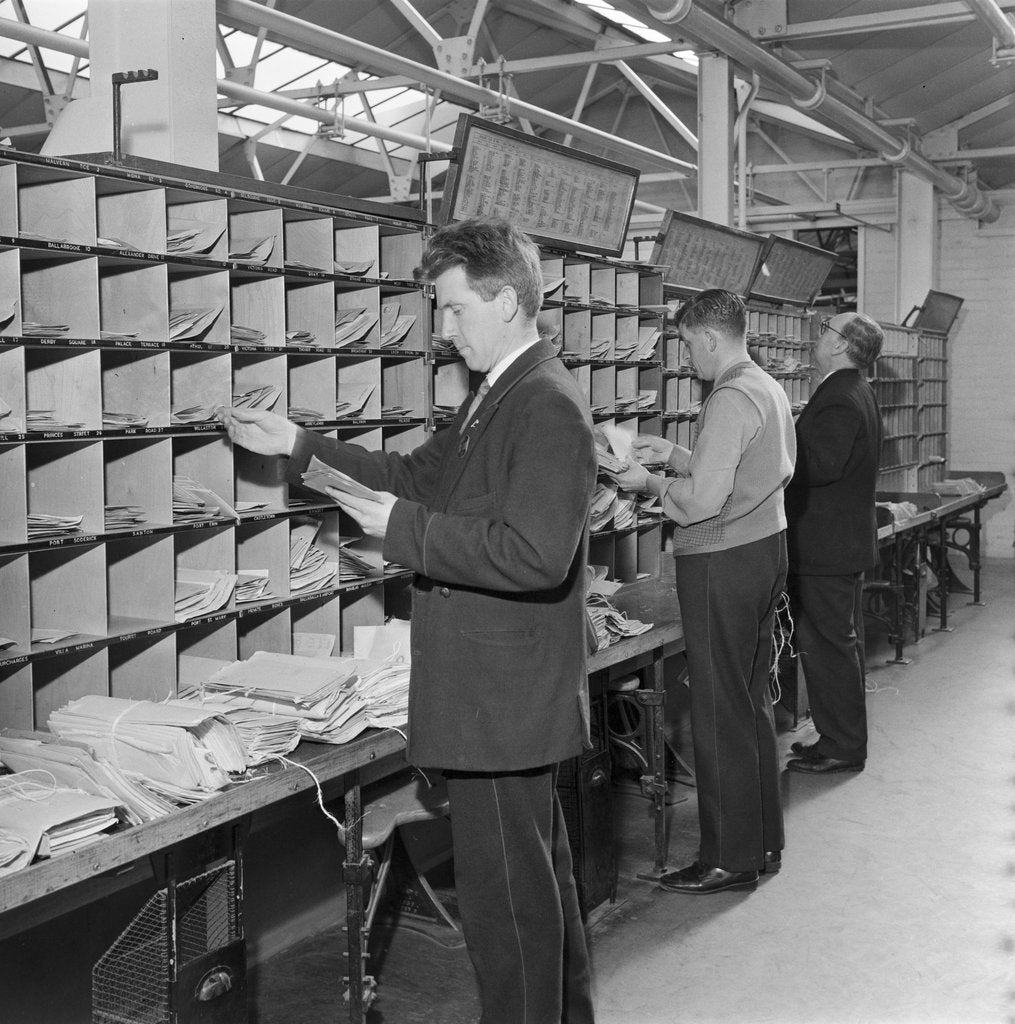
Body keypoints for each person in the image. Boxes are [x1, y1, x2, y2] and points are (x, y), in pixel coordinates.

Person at [218, 218, 598, 1024]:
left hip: (502, 707)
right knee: (535, 895)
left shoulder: (545, 405)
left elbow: (535, 554)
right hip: (495, 699)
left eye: (455, 309)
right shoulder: (496, 396)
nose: (443, 328)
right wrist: (296, 443)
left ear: (504, 301)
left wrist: (402, 528)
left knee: (508, 922)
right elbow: (408, 476)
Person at [609, 288, 795, 895]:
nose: (688, 359)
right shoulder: (764, 386)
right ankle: (762, 842)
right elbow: (744, 468)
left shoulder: (728, 397)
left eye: (689, 344)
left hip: (721, 560)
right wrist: (678, 455)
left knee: (716, 711)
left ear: (711, 337)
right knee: (750, 699)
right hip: (765, 551)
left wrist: (649, 482)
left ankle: (727, 858)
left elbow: (703, 503)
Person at [784, 311, 884, 775]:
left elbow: (819, 466)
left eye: (827, 329)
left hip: (825, 547)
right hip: (840, 543)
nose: (818, 334)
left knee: (828, 649)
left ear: (842, 345)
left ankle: (842, 746)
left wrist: (774, 451)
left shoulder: (841, 396)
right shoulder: (853, 389)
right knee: (839, 645)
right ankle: (838, 737)